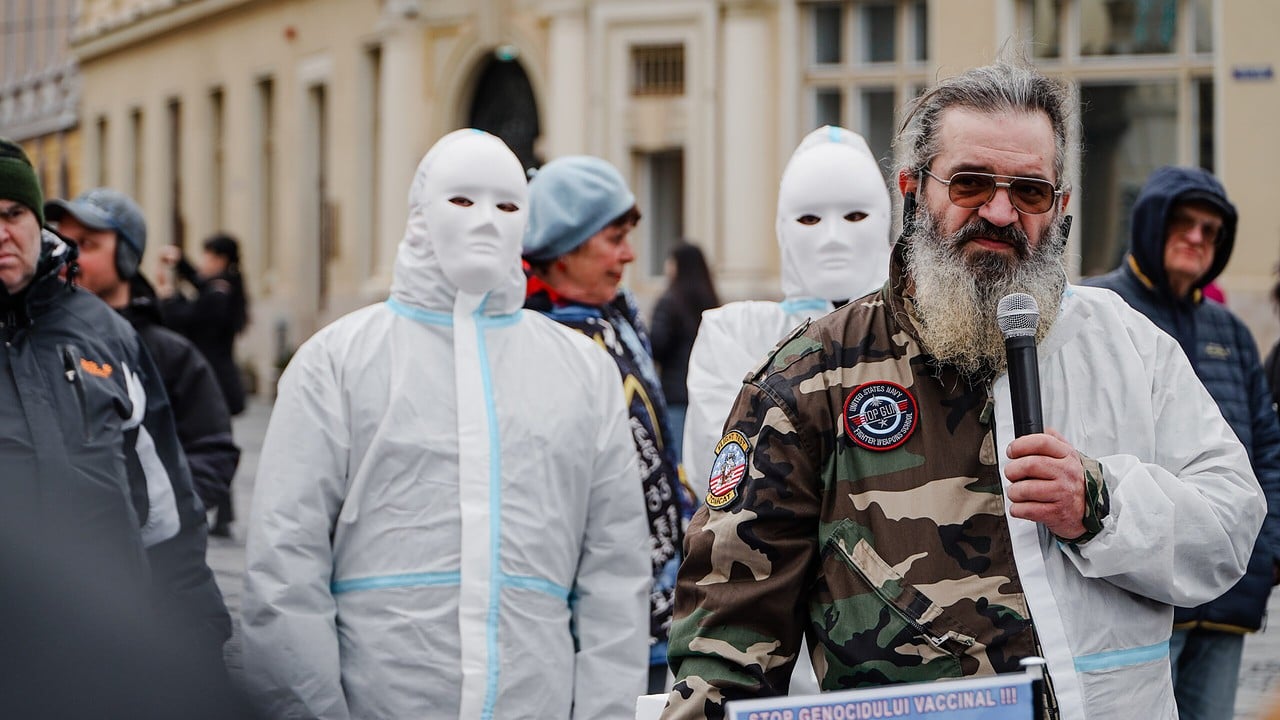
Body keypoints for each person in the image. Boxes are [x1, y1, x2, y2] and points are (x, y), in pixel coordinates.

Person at [661, 54, 1264, 720]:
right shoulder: (811, 376)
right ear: (914, 190)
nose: (1001, 212)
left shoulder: (1126, 344)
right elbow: (726, 644)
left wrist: (1100, 503)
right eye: (971, 183)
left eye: (1029, 191)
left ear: (1060, 206)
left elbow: (1232, 524)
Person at [241, 129, 650, 720]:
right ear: (419, 212)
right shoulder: (336, 363)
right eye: (462, 200)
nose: (486, 221)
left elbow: (616, 568)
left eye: (507, 205)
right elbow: (285, 566)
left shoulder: (582, 371)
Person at [0, 139, 230, 675]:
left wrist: (195, 632)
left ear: (35, 221)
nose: (2, 233)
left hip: (99, 646)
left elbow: (170, 511)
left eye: (14, 214)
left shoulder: (107, 334)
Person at [1084, 166, 1280, 720]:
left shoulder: (1231, 332)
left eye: (1211, 231)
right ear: (1150, 223)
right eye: (1185, 223)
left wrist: (1269, 551)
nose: (1197, 238)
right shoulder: (1097, 312)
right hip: (1135, 594)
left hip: (1228, 597)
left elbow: (1266, 449)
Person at [522, 155, 689, 693]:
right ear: (565, 248)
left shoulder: (617, 311)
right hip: (593, 612)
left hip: (663, 599)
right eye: (613, 238)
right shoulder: (533, 337)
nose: (629, 254)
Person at [682, 125, 891, 492]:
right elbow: (719, 476)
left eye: (854, 216)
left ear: (887, 218)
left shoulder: (924, 333)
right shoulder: (735, 334)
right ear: (783, 228)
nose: (832, 239)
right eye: (809, 219)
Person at [45, 187, 241, 518]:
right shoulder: (32, 340)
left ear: (126, 258)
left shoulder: (169, 354)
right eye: (63, 243)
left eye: (87, 244)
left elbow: (213, 452)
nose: (69, 256)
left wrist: (154, 518)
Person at [156, 232, 248, 536]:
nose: (204, 263)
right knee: (215, 441)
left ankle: (222, 514)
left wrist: (169, 297)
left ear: (220, 260)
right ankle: (224, 515)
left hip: (215, 380)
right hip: (218, 378)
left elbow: (191, 317)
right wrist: (181, 263)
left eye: (208, 256)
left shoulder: (220, 292)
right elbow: (199, 282)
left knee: (212, 443)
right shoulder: (223, 286)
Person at [649, 241, 720, 460]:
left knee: (679, 463)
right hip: (705, 393)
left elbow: (656, 346)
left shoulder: (670, 302)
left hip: (675, 394)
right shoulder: (711, 300)